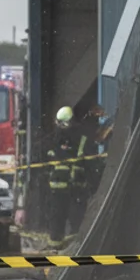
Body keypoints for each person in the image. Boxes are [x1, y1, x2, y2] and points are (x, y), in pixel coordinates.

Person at [45, 105, 96, 250]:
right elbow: (46, 163)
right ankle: (55, 248)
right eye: (59, 123)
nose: (61, 126)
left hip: (75, 188)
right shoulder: (54, 139)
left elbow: (90, 163)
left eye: (64, 123)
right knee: (56, 219)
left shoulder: (81, 138)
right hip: (59, 189)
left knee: (75, 220)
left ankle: (75, 249)